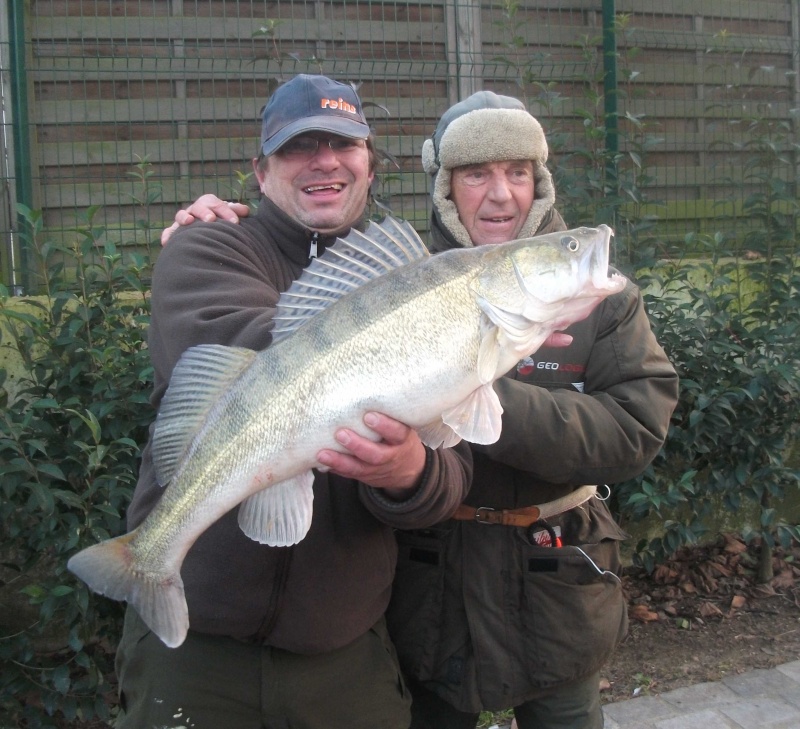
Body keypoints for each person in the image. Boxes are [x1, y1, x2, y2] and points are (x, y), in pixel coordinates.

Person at [166, 90, 679, 729]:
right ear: (444, 187)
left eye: (519, 172)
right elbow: (281, 341)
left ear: (540, 183)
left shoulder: (601, 300)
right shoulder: (404, 278)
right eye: (476, 173)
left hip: (559, 583)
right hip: (432, 592)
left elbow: (634, 431)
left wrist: (485, 394)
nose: (500, 194)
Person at [117, 73, 472, 729]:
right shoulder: (206, 247)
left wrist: (412, 471)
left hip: (344, 656)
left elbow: (450, 469)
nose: (324, 162)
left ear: (369, 161)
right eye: (297, 147)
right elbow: (264, 367)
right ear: (260, 170)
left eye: (342, 143)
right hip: (198, 648)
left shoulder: (419, 279)